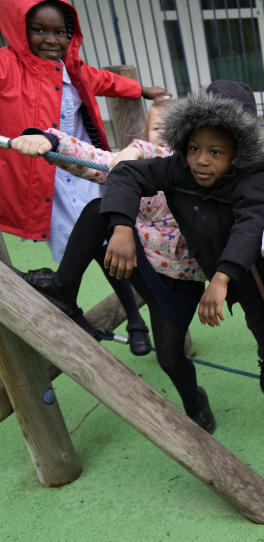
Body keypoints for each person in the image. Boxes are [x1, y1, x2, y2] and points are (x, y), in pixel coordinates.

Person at [11, 99, 216, 433]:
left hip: (181, 282)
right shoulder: (132, 161)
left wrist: (137, 151)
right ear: (147, 132)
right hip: (143, 264)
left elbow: (167, 161)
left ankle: (195, 403)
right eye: (158, 129)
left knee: (169, 356)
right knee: (97, 209)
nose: (166, 137)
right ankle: (63, 288)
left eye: (176, 130)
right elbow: (91, 158)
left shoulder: (197, 171)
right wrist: (48, 140)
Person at [99, 80, 264, 396]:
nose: (201, 160)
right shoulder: (181, 167)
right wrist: (121, 226)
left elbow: (251, 224)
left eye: (215, 151)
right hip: (220, 263)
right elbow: (128, 174)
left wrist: (222, 279)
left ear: (238, 149)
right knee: (255, 317)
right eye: (195, 147)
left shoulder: (254, 174)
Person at [0, 0, 168, 261]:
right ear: (20, 29)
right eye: (39, 30)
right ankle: (65, 291)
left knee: (103, 228)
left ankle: (116, 296)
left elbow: (104, 80)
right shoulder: (7, 66)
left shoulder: (72, 68)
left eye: (60, 32)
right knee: (72, 241)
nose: (51, 40)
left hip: (81, 164)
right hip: (46, 176)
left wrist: (140, 89)